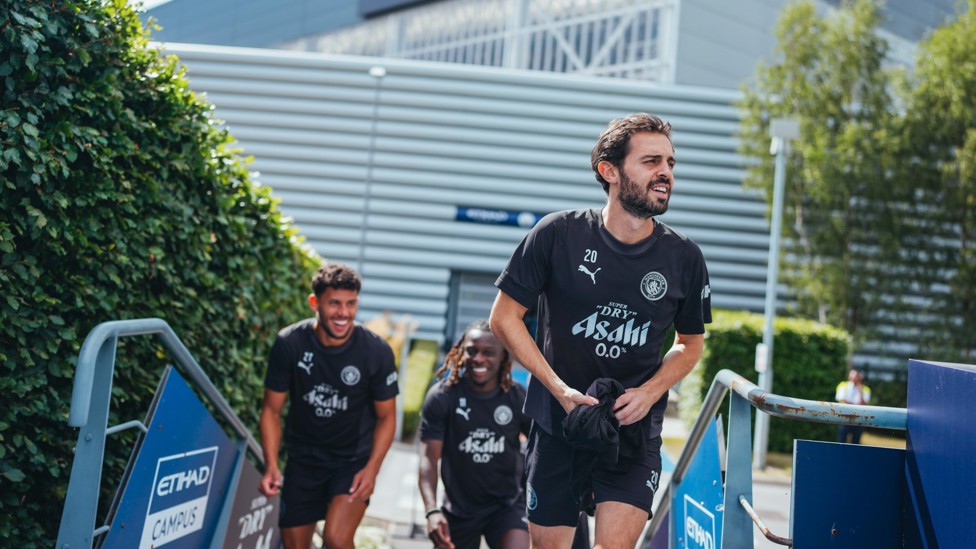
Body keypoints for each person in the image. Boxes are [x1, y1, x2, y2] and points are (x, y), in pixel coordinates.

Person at [489, 113, 712, 549]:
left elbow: (689, 346)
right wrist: (557, 388)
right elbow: (504, 317)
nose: (665, 172)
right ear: (609, 171)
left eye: (670, 162)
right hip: (559, 423)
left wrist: (648, 393)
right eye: (651, 161)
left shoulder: (684, 256)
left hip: (633, 433)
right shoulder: (557, 233)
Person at [258, 262, 399, 549]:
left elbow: (387, 417)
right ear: (315, 303)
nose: (344, 313)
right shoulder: (290, 343)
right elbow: (272, 410)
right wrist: (272, 465)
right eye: (334, 303)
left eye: (351, 304)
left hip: (352, 463)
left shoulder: (375, 351)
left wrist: (371, 469)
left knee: (336, 539)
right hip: (303, 461)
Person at [418, 320, 532, 549]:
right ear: (461, 352)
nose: (479, 358)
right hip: (458, 511)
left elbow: (540, 448)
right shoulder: (442, 397)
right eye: (472, 351)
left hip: (506, 506)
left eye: (488, 352)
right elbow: (428, 458)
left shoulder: (517, 397)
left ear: (502, 357)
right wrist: (431, 510)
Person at [835, 369, 871, 444]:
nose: (854, 378)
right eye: (853, 376)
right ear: (849, 377)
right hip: (844, 417)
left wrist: (860, 391)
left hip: (859, 419)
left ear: (860, 378)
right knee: (841, 440)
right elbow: (841, 400)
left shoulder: (866, 389)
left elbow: (864, 404)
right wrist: (855, 406)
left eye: (856, 376)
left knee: (856, 442)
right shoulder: (843, 385)